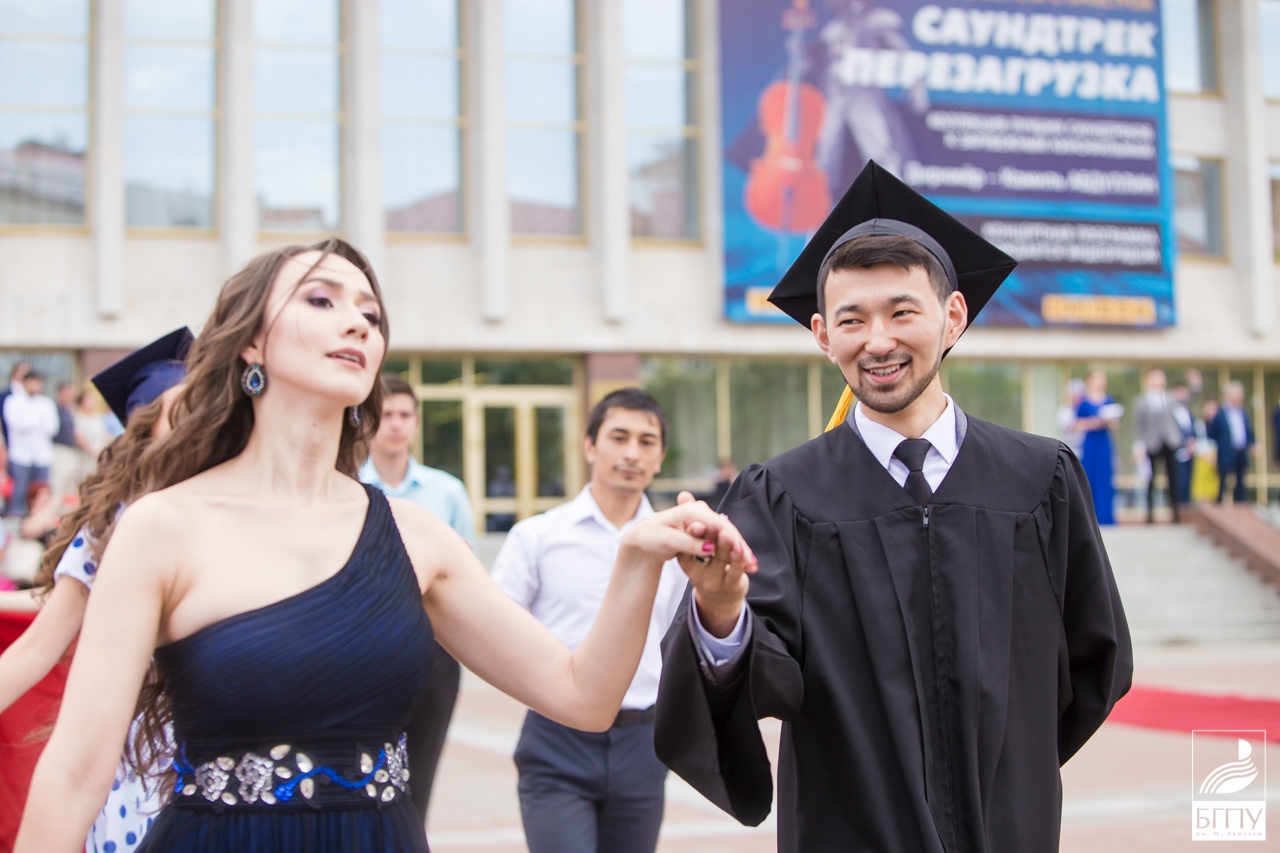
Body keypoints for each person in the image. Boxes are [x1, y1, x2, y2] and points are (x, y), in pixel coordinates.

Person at [15, 238, 754, 853]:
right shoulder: (162, 527)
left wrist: (636, 558)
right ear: (250, 343)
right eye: (321, 300)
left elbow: (581, 695)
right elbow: (75, 771)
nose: (357, 323)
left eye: (370, 313)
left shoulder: (413, 534)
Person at [653, 161, 1132, 853]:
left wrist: (1008, 764)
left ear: (953, 317)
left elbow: (1096, 659)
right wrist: (722, 611)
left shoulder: (1040, 479)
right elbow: (758, 681)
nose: (877, 341)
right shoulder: (783, 495)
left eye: (902, 312)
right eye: (852, 320)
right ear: (823, 335)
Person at [0, 327, 193, 853]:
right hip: (142, 752)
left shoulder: (245, 513)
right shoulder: (115, 525)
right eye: (177, 412)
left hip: (237, 748)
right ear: (144, 430)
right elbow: (42, 640)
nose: (194, 423)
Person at [492, 388, 685, 853]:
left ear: (660, 456)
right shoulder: (536, 537)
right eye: (619, 437)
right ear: (590, 446)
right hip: (557, 739)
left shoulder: (677, 546)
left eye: (646, 441)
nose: (632, 453)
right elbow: (495, 631)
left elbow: (685, 641)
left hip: (642, 742)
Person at [359, 372, 475, 822]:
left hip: (433, 648)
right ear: (369, 422)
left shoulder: (447, 491)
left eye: (404, 414)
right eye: (386, 414)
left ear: (416, 422)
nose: (395, 423)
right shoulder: (348, 487)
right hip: (363, 647)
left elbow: (466, 574)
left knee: (418, 783)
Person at [3, 368, 59, 518]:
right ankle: (16, 522)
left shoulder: (46, 403)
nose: (35, 386)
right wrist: (37, 423)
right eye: (32, 382)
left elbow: (52, 428)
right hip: (20, 455)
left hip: (42, 455)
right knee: (19, 492)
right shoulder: (13, 401)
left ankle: (39, 521)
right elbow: (17, 424)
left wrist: (31, 423)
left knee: (41, 492)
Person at [1133, 369, 1185, 523]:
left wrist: (1196, 384)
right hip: (1151, 444)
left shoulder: (1171, 398)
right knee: (1151, 479)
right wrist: (1138, 446)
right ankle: (1150, 513)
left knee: (1173, 477)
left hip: (1170, 441)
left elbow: (1187, 401)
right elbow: (1138, 425)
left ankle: (1175, 511)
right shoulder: (1141, 401)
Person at [1075, 371, 1121, 525]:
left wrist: (1109, 421)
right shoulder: (1083, 402)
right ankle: (1090, 516)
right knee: (1089, 475)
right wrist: (1094, 422)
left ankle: (1105, 515)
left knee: (1105, 476)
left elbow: (1116, 424)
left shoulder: (1108, 400)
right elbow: (1076, 424)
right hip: (1090, 443)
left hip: (1104, 442)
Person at [1209, 381, 1255, 504]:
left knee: (1240, 479)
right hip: (1225, 452)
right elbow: (1212, 433)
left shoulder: (1243, 412)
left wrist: (1253, 443)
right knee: (1222, 478)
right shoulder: (1220, 413)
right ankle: (1219, 504)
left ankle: (1240, 504)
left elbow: (1248, 431)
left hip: (1240, 450)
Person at [1170, 384, 1196, 506]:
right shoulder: (1170, 411)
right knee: (1178, 482)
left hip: (1189, 451)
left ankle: (1186, 507)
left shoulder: (1188, 411)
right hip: (1176, 450)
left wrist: (1192, 442)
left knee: (1188, 482)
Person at [1057, 379, 1086, 458]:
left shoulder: (1084, 409)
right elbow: (1072, 427)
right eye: (1074, 395)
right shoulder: (1064, 411)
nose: (1077, 398)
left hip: (1086, 450)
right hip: (1071, 450)